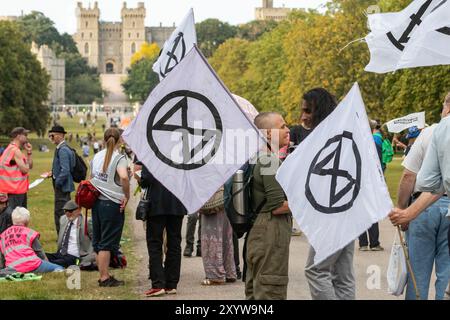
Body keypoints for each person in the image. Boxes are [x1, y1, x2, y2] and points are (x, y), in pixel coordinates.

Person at [389, 94, 450, 300]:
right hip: (439, 202)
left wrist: (404, 209)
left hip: (427, 207)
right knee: (446, 274)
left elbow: (409, 176)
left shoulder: (432, 131)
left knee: (418, 274)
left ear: (447, 108)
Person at [301, 88, 356, 300]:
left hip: (331, 212)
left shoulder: (327, 137)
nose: (303, 116)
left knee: (315, 270)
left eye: (307, 111)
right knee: (343, 274)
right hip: (348, 212)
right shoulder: (343, 131)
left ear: (319, 110)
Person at [245, 112, 292, 300]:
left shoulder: (259, 157)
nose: (287, 130)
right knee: (270, 290)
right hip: (270, 231)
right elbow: (277, 206)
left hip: (259, 230)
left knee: (256, 290)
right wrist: (307, 203)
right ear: (269, 134)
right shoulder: (270, 161)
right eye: (282, 127)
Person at [90, 128, 130, 287]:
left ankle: (102, 274)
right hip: (111, 202)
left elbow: (91, 178)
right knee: (107, 242)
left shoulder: (97, 156)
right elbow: (124, 177)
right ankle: (105, 277)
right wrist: (126, 195)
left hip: (97, 202)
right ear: (120, 140)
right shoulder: (119, 158)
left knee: (99, 241)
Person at [140, 164, 186, 297]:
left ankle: (158, 283)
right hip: (177, 202)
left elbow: (146, 179)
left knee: (154, 242)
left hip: (157, 202)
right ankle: (171, 284)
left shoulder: (152, 153)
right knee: (174, 243)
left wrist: (141, 180)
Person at [0, 207, 64, 273]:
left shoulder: (3, 235)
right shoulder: (30, 233)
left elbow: (2, 258)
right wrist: (47, 264)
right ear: (27, 221)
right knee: (59, 268)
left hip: (12, 268)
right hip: (32, 265)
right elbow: (40, 253)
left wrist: (3, 269)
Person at [199, 188, 236, 285]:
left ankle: (216, 275)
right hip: (224, 199)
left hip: (212, 200)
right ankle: (229, 272)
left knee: (211, 237)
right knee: (225, 237)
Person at [358, 119, 384, 252]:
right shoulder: (373, 142)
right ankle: (374, 243)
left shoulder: (356, 140)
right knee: (372, 210)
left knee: (361, 211)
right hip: (370, 180)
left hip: (357, 180)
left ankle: (363, 243)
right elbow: (378, 163)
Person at [46, 200, 95, 268]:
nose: (67, 213)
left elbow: (96, 239)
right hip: (60, 254)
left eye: (70, 211)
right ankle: (41, 263)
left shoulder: (87, 221)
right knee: (42, 255)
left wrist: (90, 256)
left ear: (79, 210)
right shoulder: (63, 219)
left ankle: (43, 264)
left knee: (57, 263)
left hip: (75, 257)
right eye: (65, 211)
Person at [49, 125, 75, 235]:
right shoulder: (64, 148)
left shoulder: (63, 150)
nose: (51, 138)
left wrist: (57, 183)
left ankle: (62, 235)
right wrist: (53, 173)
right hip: (65, 185)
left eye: (52, 135)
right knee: (66, 211)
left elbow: (66, 170)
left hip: (62, 186)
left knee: (60, 212)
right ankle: (65, 235)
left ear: (60, 135)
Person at [0, 127, 33, 209]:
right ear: (18, 136)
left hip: (13, 190)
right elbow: (25, 170)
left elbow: (30, 166)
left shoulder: (11, 149)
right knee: (16, 218)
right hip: (15, 191)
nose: (27, 137)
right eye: (25, 134)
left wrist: (29, 153)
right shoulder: (15, 151)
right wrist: (27, 166)